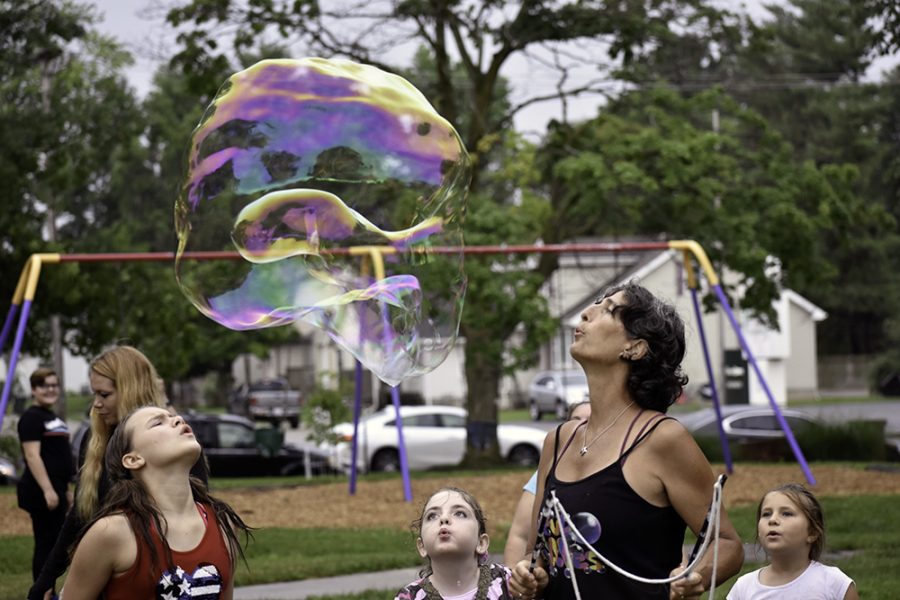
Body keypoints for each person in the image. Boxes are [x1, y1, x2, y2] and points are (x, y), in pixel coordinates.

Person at [510, 282, 744, 600]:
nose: (586, 313)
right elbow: (536, 555)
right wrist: (528, 575)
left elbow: (727, 544)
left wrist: (695, 577)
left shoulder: (662, 439)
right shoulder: (558, 440)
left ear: (635, 347)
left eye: (608, 310)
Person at [28, 345, 209, 600]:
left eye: (104, 394)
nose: (97, 404)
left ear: (129, 389)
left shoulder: (175, 443)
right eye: (94, 394)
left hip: (162, 580)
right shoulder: (96, 439)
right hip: (105, 577)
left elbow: (200, 518)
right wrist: (47, 578)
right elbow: (80, 515)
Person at [62, 405, 249, 598]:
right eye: (158, 423)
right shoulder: (111, 533)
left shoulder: (223, 524)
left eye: (174, 417)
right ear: (133, 459)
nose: (178, 420)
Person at [726, 483, 858, 600]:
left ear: (812, 532)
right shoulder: (743, 588)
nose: (772, 520)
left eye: (786, 513)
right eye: (766, 514)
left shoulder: (833, 583)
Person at [395, 486, 526, 600]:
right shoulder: (409, 596)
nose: (444, 519)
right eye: (432, 516)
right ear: (422, 546)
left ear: (481, 543)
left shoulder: (506, 581)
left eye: (460, 513)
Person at [503, 401, 590, 566]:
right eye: (576, 419)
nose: (581, 425)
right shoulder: (547, 472)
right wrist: (512, 586)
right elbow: (520, 535)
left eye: (590, 420)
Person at [16, 368, 74, 593]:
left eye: (54, 385)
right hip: (40, 490)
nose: (51, 390)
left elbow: (59, 455)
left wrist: (66, 489)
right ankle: (42, 592)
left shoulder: (53, 417)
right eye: (44, 385)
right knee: (46, 544)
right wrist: (48, 490)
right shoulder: (31, 417)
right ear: (33, 390)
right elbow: (32, 455)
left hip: (58, 488)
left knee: (55, 544)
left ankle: (48, 590)